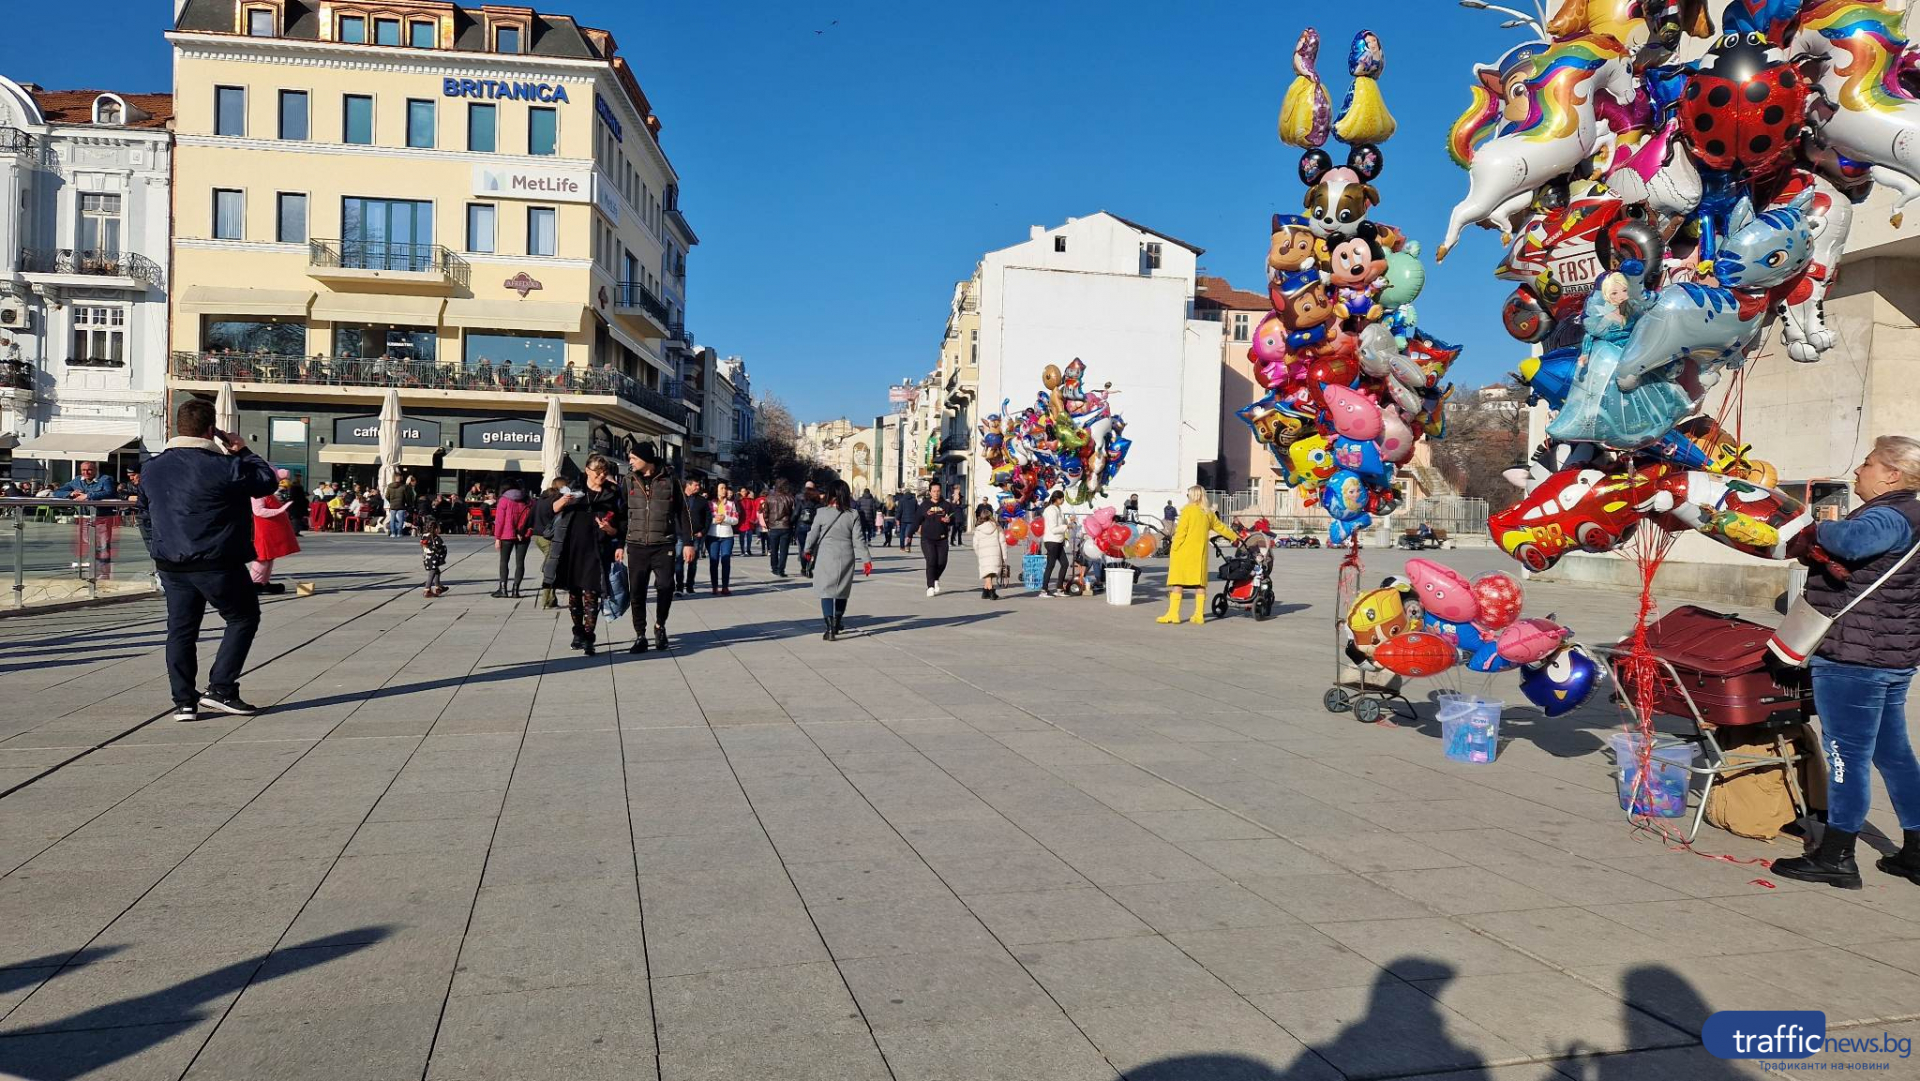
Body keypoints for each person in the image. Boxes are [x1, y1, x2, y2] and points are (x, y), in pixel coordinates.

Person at [1773, 436, 1920, 889]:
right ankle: (1915, 852)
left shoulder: (1888, 515)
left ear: (1892, 475)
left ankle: (1837, 856)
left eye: (1869, 463)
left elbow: (1853, 543)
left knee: (1845, 755)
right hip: (1892, 654)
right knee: (1893, 753)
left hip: (1855, 657)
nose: (1859, 470)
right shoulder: (1914, 512)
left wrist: (1815, 525)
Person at [139, 398, 277, 721]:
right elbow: (267, 481)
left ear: (177, 428)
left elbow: (144, 515)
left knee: (181, 630)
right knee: (243, 617)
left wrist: (156, 550)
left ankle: (184, 702)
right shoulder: (225, 467)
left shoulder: (151, 468)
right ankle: (221, 688)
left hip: (170, 563)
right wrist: (242, 450)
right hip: (218, 561)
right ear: (211, 430)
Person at [618, 439, 695, 654]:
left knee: (665, 587)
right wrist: (618, 543)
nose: (630, 461)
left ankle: (660, 626)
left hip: (664, 544)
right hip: (636, 545)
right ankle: (640, 634)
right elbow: (622, 515)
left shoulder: (671, 480)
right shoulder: (628, 481)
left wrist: (688, 542)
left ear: (646, 459)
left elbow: (682, 513)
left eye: (633, 458)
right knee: (637, 591)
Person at [543, 455, 624, 655]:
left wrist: (611, 530)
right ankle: (577, 631)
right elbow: (551, 510)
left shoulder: (612, 493)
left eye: (605, 471)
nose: (602, 475)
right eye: (598, 471)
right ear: (587, 470)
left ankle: (589, 636)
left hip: (597, 550)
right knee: (574, 594)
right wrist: (563, 500)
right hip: (572, 548)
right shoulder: (573, 488)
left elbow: (622, 524)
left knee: (591, 593)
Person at [1159, 486, 1239, 625]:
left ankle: (1173, 614)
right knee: (1200, 584)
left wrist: (1173, 548)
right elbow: (1220, 527)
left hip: (1184, 552)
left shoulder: (1188, 511)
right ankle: (1199, 615)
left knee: (1178, 582)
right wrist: (1235, 537)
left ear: (1192, 496)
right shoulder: (1208, 513)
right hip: (1200, 554)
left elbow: (1181, 532)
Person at [804, 480, 871, 641]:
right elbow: (859, 539)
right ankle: (837, 622)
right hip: (846, 556)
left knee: (826, 591)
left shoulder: (821, 512)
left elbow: (813, 534)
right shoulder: (853, 514)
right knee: (841, 591)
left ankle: (829, 629)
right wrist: (866, 559)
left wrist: (807, 549)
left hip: (826, 556)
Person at [248, 471, 301, 594]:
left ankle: (263, 582)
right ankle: (254, 583)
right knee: (262, 557)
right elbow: (259, 511)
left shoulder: (266, 492)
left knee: (269, 557)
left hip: (271, 529)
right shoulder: (258, 494)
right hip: (263, 530)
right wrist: (279, 511)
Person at [490, 483, 532, 598]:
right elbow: (531, 519)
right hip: (523, 535)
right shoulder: (528, 500)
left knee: (504, 562)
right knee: (520, 563)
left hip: (506, 535)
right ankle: (515, 590)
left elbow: (499, 521)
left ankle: (503, 589)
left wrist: (497, 537)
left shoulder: (504, 500)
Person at [530, 477, 562, 609]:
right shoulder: (556, 501)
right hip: (547, 537)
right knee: (551, 566)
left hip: (537, 536)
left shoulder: (541, 499)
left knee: (552, 565)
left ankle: (552, 598)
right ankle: (546, 599)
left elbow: (531, 515)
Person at [919, 481, 954, 596]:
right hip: (927, 538)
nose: (936, 493)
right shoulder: (924, 505)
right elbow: (916, 519)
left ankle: (935, 578)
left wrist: (949, 520)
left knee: (942, 562)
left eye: (938, 491)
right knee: (931, 560)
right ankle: (930, 586)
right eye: (934, 491)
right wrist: (908, 536)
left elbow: (955, 517)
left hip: (942, 538)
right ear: (930, 492)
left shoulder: (946, 505)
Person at [707, 481, 739, 594]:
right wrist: (715, 520)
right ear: (716, 490)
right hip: (713, 535)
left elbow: (735, 520)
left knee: (726, 560)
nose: (724, 490)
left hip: (727, 536)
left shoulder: (731, 504)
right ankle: (714, 586)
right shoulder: (710, 503)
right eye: (721, 488)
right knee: (713, 561)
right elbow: (705, 520)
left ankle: (725, 586)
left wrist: (725, 518)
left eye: (725, 488)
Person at [679, 478, 711, 594]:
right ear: (688, 485)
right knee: (679, 560)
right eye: (696, 485)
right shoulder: (680, 498)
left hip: (696, 535)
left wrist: (703, 531)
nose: (698, 487)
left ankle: (690, 585)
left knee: (692, 561)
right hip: (680, 535)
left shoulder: (701, 500)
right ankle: (679, 586)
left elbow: (708, 518)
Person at [1040, 490, 1071, 598]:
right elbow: (1053, 528)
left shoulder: (1058, 509)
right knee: (1050, 565)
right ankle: (1044, 590)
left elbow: (1060, 523)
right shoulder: (1050, 510)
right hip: (1052, 541)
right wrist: (1066, 527)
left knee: (1065, 563)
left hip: (1058, 541)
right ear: (1057, 499)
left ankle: (1059, 588)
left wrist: (1068, 521)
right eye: (1062, 499)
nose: (1063, 501)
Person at [971, 504, 1006, 600]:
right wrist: (1004, 556)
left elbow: (975, 544)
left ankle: (989, 590)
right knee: (991, 572)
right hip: (996, 553)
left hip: (983, 554)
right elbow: (1002, 542)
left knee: (987, 571)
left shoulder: (978, 530)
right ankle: (988, 591)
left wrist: (979, 553)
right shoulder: (998, 528)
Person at [763, 479, 795, 576]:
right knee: (784, 550)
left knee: (774, 549)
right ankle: (781, 569)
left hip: (773, 526)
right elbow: (794, 513)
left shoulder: (769, 498)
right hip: (786, 526)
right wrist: (791, 523)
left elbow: (765, 513)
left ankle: (774, 567)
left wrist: (768, 523)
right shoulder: (790, 498)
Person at [420, 516, 448, 597]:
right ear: (435, 529)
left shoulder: (424, 535)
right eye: (439, 528)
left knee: (437, 571)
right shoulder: (435, 538)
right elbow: (441, 547)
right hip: (433, 557)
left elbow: (423, 544)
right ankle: (427, 589)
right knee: (432, 573)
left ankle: (438, 586)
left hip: (427, 557)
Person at [794, 480, 819, 556]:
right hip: (813, 524)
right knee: (812, 544)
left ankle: (803, 562)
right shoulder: (816, 497)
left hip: (801, 523)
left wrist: (793, 522)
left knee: (802, 545)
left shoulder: (799, 497)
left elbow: (795, 512)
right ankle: (810, 559)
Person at [896, 487, 920, 554]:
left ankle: (902, 547)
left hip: (903, 519)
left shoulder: (901, 500)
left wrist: (897, 518)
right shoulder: (914, 500)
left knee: (902, 534)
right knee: (909, 534)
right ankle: (908, 546)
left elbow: (899, 511)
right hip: (912, 519)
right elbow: (917, 510)